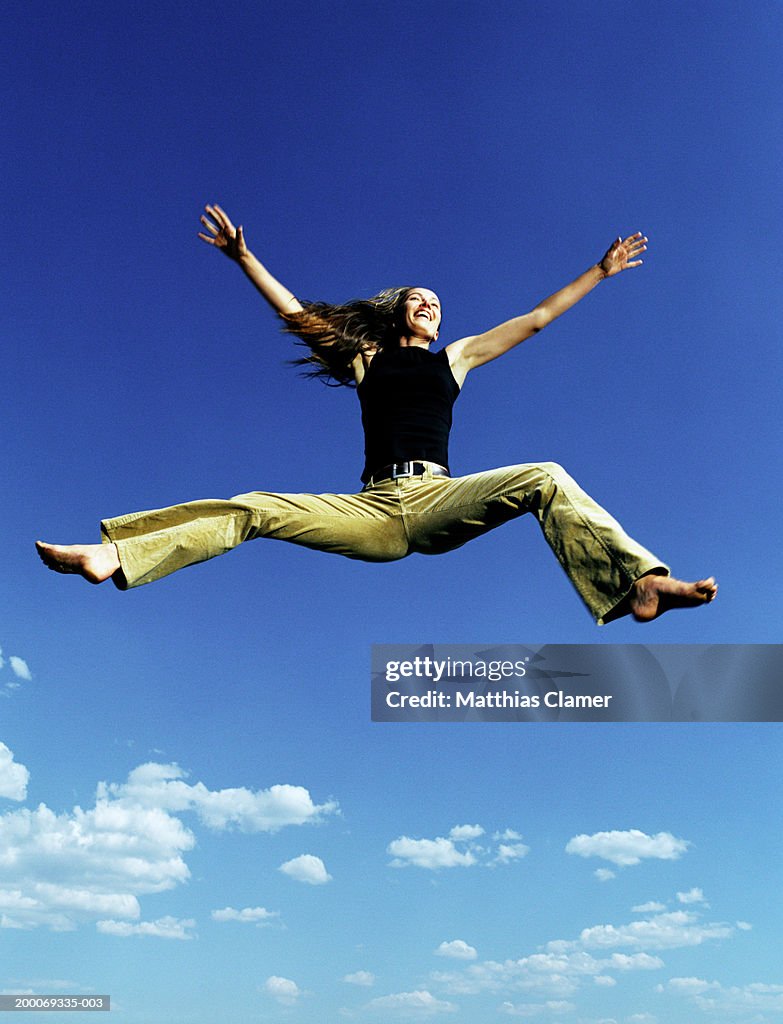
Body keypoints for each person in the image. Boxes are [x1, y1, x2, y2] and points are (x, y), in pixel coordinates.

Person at [36, 204, 717, 624]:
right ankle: (116, 554)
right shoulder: (365, 359)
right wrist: (245, 259)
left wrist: (597, 271)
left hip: (439, 495)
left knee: (545, 474)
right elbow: (297, 316)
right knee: (254, 508)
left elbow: (535, 320)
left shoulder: (455, 359)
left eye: (438, 304)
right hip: (372, 510)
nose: (431, 307)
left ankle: (640, 585)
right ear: (397, 313)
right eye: (419, 301)